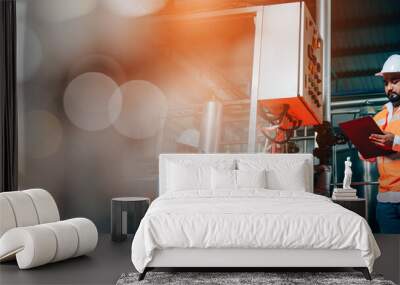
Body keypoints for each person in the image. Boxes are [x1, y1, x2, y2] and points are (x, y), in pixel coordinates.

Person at [362, 54, 400, 233]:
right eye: (386, 82)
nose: (389, 87)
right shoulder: (379, 117)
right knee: (392, 254)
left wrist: (395, 141)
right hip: (385, 201)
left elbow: (393, 143)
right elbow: (370, 158)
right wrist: (364, 149)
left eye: (395, 81)